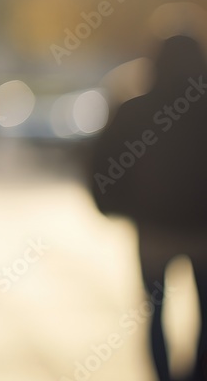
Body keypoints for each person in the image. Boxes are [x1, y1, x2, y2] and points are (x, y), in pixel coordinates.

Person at [90, 34, 207, 381]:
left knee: (155, 312)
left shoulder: (135, 109)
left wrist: (117, 206)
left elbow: (105, 164)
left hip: (154, 230)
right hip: (203, 228)